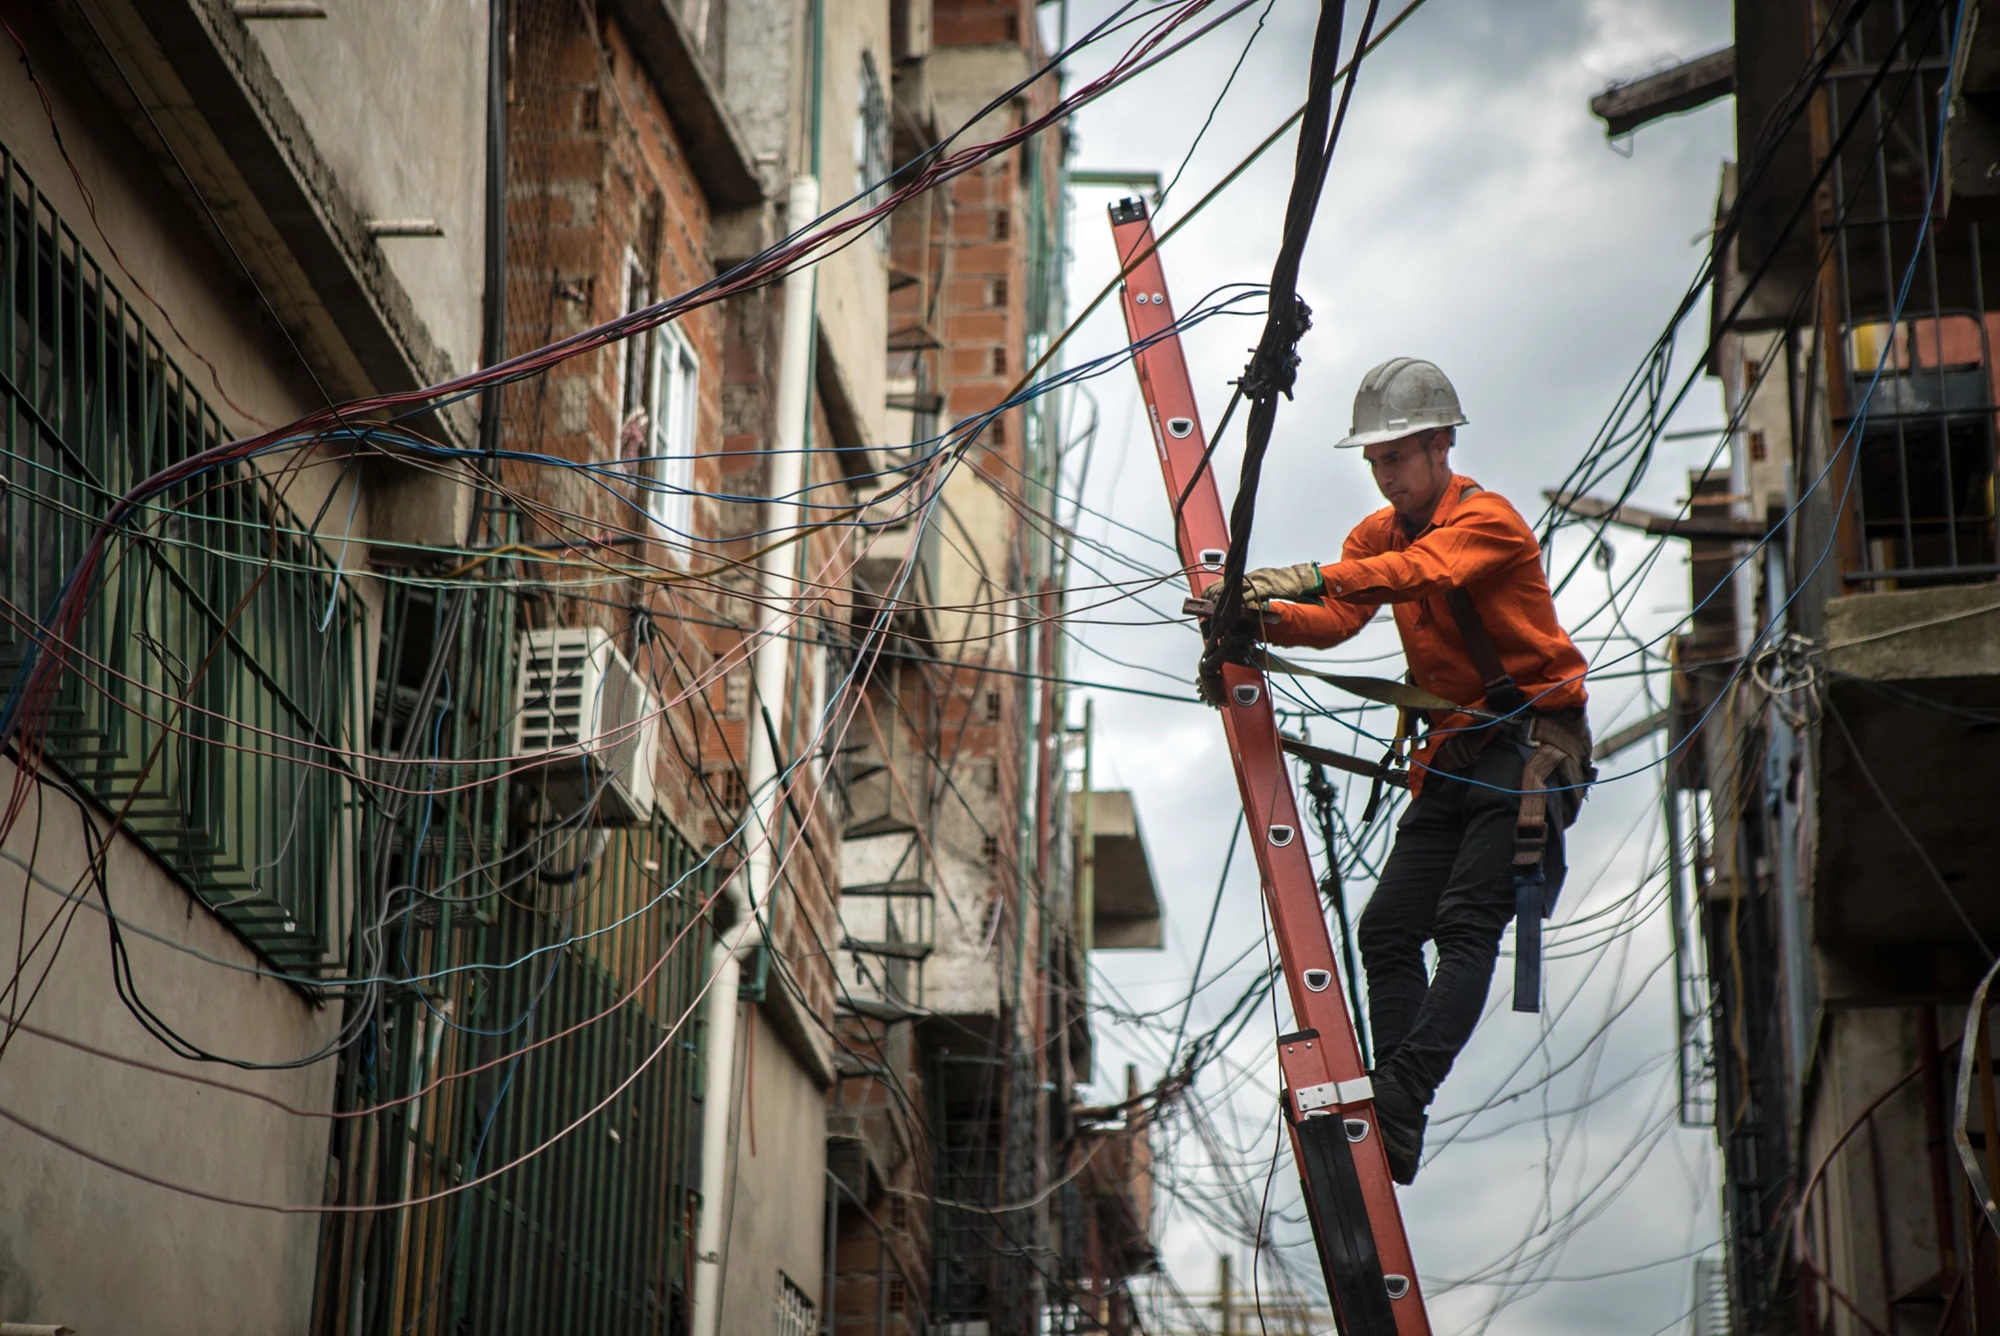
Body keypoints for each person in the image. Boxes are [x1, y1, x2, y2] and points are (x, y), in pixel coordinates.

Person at [1217, 357, 1593, 1185]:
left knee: (1464, 925)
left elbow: (1423, 572)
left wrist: (1307, 573)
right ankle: (1399, 1107)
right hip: (1452, 754)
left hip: (1529, 745)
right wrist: (1257, 619)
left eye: (1396, 457)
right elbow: (1337, 618)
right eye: (1376, 461)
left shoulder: (1487, 523)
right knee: (1387, 928)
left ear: (1440, 445)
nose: (1384, 475)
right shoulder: (1375, 536)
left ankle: (1403, 1091)